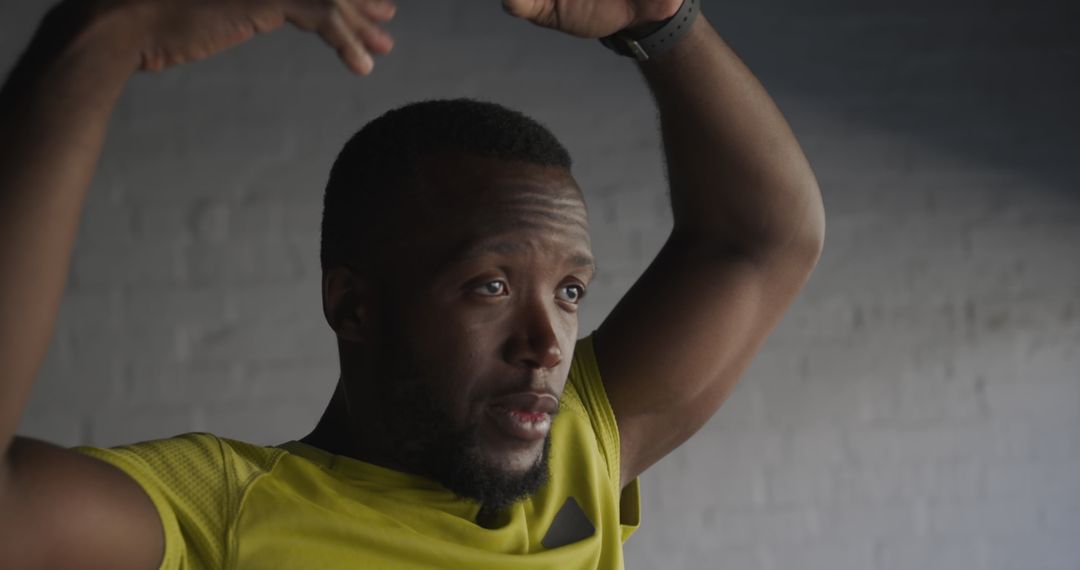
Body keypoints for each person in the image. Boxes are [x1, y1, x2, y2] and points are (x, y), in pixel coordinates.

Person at [0, 0, 825, 568]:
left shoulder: (575, 448)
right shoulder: (221, 510)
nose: (547, 344)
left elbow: (764, 239)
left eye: (570, 292)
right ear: (353, 305)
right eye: (490, 287)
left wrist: (662, 21)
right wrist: (104, 31)